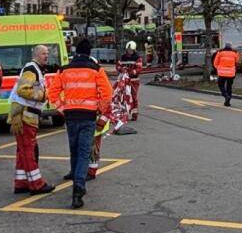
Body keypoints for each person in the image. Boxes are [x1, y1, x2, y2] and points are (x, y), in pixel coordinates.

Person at [57, 40, 113, 208]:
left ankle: (75, 178)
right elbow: (107, 94)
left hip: (70, 116)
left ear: (75, 52)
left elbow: (52, 92)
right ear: (90, 53)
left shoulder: (64, 70)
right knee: (83, 153)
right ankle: (78, 187)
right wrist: (98, 110)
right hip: (88, 117)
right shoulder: (96, 70)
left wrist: (62, 109)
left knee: (74, 151)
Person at [8, 44, 54, 195]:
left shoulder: (36, 69)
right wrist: (42, 95)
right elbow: (23, 90)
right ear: (36, 55)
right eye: (43, 53)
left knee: (23, 151)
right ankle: (36, 184)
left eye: (47, 53)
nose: (46, 56)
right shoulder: (31, 70)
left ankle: (21, 183)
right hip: (25, 116)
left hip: (27, 115)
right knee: (28, 150)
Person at [117, 41, 143, 121]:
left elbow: (139, 69)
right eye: (128, 49)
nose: (129, 51)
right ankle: (124, 114)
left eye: (130, 50)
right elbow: (118, 65)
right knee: (123, 97)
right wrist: (121, 69)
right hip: (124, 80)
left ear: (134, 50)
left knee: (133, 97)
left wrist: (131, 72)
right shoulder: (123, 57)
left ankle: (134, 114)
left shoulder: (137, 58)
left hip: (134, 80)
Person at [212, 42, 239, 107]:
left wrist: (218, 68)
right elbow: (237, 61)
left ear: (225, 46)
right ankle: (228, 102)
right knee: (229, 86)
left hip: (222, 73)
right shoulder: (235, 53)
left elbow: (215, 62)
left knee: (221, 85)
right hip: (231, 73)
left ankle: (226, 95)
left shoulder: (220, 52)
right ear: (231, 46)